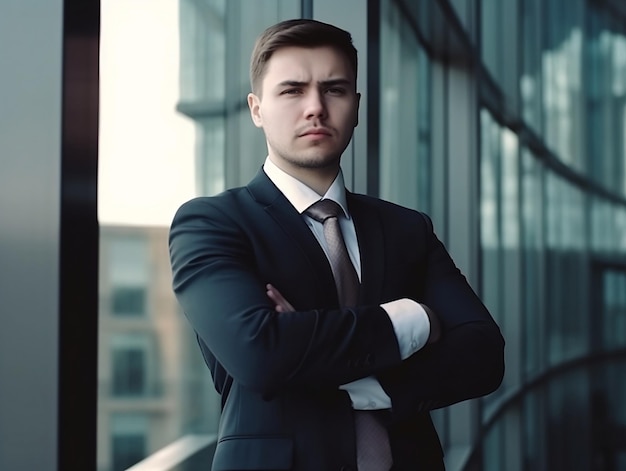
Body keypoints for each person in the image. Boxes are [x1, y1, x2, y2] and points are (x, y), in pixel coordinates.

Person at [169, 18, 504, 471]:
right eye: (291, 90)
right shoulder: (213, 223)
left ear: (357, 105)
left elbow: (483, 353)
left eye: (334, 89)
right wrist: (413, 319)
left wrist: (357, 380)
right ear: (256, 108)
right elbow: (261, 355)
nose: (315, 108)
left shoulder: (407, 228)